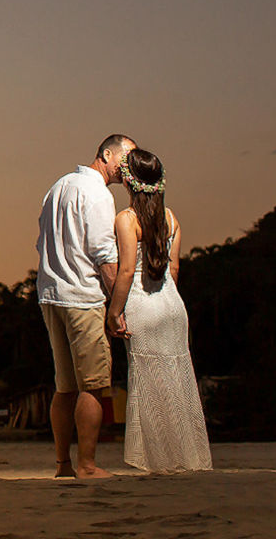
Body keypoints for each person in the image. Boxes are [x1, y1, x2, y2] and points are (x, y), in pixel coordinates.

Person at [107, 148, 213, 473]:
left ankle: (158, 460)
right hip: (172, 307)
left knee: (150, 385)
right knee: (178, 382)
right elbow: (175, 269)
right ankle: (187, 458)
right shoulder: (171, 218)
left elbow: (126, 272)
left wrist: (113, 312)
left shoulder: (126, 220)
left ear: (129, 180)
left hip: (143, 307)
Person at [36, 134, 132, 479]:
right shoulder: (97, 193)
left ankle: (63, 465)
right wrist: (117, 307)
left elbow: (42, 237)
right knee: (93, 384)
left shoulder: (59, 186)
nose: (129, 165)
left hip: (51, 293)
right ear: (107, 154)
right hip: (82, 296)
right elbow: (105, 254)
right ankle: (87, 465)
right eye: (127, 156)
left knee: (65, 387)